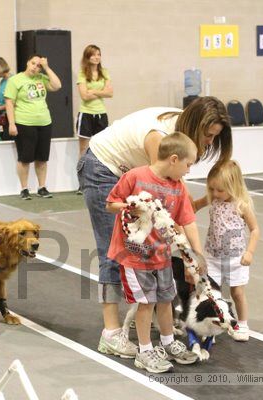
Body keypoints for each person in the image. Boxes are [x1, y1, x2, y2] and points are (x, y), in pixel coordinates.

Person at [77, 96, 232, 358]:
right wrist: (189, 256)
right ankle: (111, 334)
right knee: (114, 253)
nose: (210, 143)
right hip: (102, 167)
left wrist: (195, 255)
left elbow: (181, 210)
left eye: (215, 138)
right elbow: (165, 213)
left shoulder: (180, 142)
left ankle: (152, 319)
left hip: (127, 173)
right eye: (208, 136)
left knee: (149, 253)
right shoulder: (159, 140)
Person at [106, 132, 202, 372]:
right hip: (135, 256)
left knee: (166, 299)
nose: (188, 171)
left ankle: (169, 343)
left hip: (162, 256)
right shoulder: (135, 176)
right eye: (188, 165)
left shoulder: (177, 187)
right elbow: (110, 204)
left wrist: (197, 254)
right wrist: (133, 207)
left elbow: (187, 220)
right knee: (145, 303)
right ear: (173, 159)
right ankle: (145, 351)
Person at [196, 159, 260, 342]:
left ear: (233, 186)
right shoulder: (212, 199)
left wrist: (250, 252)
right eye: (212, 189)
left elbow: (255, 229)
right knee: (212, 293)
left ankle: (242, 323)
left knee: (237, 293)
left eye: (220, 190)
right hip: (213, 258)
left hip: (236, 259)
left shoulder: (241, 205)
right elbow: (191, 207)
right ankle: (212, 326)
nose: (215, 193)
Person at [4, 54, 61, 200]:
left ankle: (42, 187)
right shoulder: (15, 80)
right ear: (27, 63)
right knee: (25, 158)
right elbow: (9, 103)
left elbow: (57, 85)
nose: (35, 67)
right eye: (33, 63)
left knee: (42, 158)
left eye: (38, 65)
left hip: (44, 122)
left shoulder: (41, 78)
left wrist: (47, 68)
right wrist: (11, 124)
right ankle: (24, 189)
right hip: (24, 123)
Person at [76, 45, 113, 194]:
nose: (97, 57)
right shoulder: (82, 74)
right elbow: (84, 95)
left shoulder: (104, 72)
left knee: (101, 147)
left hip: (101, 114)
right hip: (86, 114)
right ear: (87, 57)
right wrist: (102, 92)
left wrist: (94, 91)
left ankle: (101, 179)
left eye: (99, 54)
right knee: (84, 149)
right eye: (93, 55)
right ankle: (82, 183)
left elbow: (110, 93)